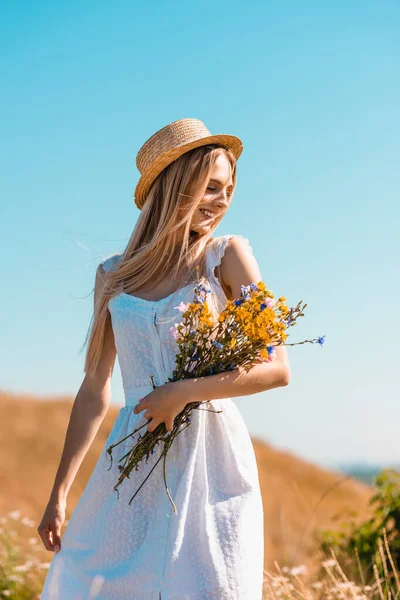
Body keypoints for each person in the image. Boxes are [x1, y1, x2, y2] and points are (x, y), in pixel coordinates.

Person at [38, 117, 291, 599]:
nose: (221, 201)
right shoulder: (112, 275)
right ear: (176, 186)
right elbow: (94, 388)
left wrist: (183, 391)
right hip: (130, 466)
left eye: (228, 189)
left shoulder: (226, 256)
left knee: (213, 587)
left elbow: (277, 366)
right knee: (104, 585)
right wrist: (59, 493)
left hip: (211, 460)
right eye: (210, 187)